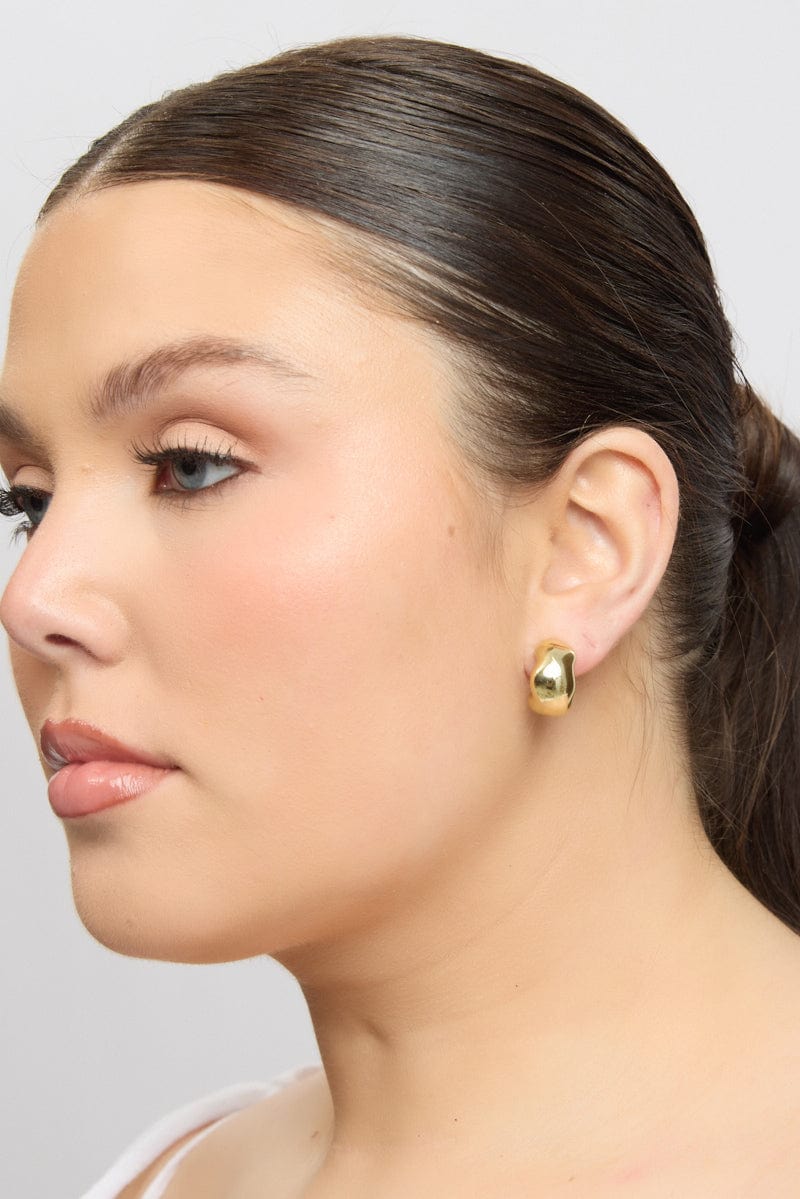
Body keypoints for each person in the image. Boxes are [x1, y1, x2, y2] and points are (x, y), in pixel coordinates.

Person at [1, 32, 799, 1199]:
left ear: (586, 547)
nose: (34, 597)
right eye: (27, 500)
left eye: (191, 464)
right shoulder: (172, 1172)